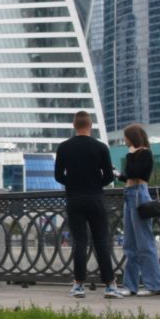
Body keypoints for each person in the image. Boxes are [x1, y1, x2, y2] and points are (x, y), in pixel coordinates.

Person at [53, 111, 123, 298]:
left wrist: (74, 183)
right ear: (90, 125)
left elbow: (58, 176)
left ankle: (78, 285)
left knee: (79, 242)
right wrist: (93, 183)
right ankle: (110, 285)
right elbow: (108, 176)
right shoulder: (100, 147)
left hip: (74, 199)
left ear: (74, 126)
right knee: (101, 242)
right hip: (95, 199)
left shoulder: (64, 147)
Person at [117, 124, 160, 296]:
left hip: (139, 195)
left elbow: (135, 172)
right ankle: (130, 286)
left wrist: (130, 155)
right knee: (129, 244)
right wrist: (117, 175)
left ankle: (155, 286)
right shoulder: (135, 154)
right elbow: (129, 175)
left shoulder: (144, 153)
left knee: (144, 243)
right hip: (130, 194)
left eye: (126, 137)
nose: (124, 140)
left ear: (132, 137)